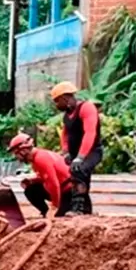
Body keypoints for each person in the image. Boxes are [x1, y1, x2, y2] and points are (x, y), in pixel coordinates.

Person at [49, 81, 100, 215]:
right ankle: (85, 211)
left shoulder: (86, 108)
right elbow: (65, 135)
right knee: (71, 176)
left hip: (92, 151)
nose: (56, 105)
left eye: (57, 101)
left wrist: (80, 157)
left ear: (65, 98)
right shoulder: (67, 115)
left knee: (79, 170)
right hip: (75, 153)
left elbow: (90, 133)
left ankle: (78, 209)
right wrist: (65, 151)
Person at [9, 133, 72, 217]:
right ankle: (45, 212)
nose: (17, 157)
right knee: (31, 189)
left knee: (58, 218)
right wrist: (32, 180)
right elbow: (46, 177)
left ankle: (52, 212)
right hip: (64, 188)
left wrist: (54, 207)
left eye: (16, 153)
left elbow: (53, 184)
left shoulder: (40, 159)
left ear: (23, 151)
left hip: (68, 192)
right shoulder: (37, 157)